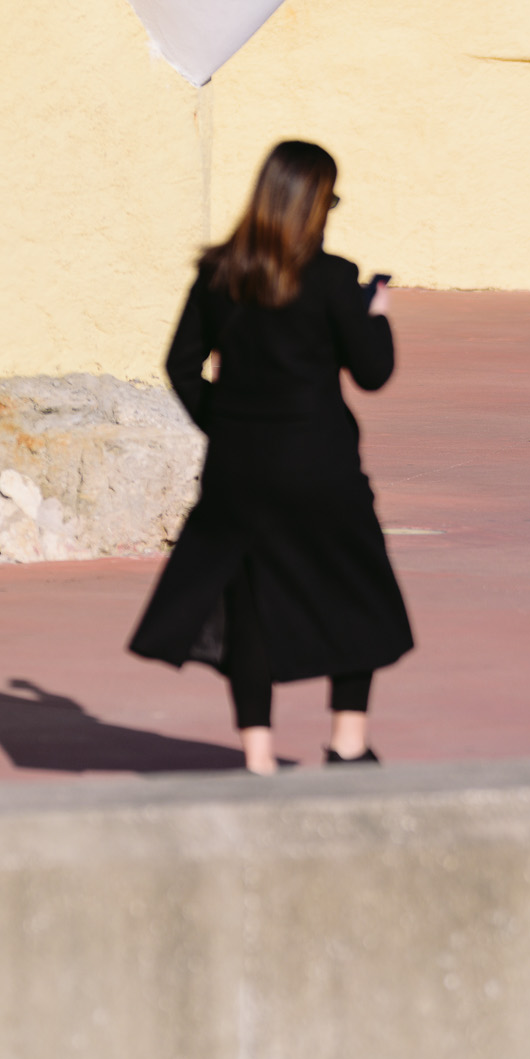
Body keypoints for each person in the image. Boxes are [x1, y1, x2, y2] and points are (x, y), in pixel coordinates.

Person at [129, 140, 414, 772]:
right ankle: (347, 743)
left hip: (240, 472)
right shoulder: (335, 279)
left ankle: (257, 756)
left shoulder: (220, 273)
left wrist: (225, 425)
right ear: (315, 203)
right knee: (355, 592)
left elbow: (179, 366)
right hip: (322, 468)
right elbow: (373, 373)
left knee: (249, 604)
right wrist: (379, 312)